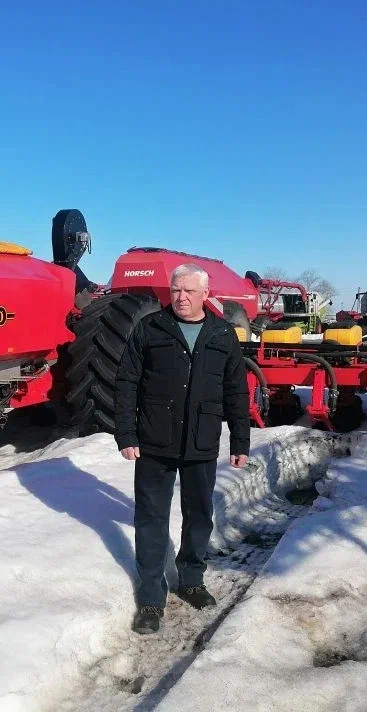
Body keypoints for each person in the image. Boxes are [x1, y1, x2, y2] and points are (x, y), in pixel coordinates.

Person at [114, 263, 250, 635]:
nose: (181, 297)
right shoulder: (150, 328)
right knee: (151, 520)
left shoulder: (222, 333)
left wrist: (240, 440)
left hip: (201, 440)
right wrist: (126, 434)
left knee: (199, 515)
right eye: (176, 290)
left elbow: (236, 391)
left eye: (189, 291)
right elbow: (126, 381)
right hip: (155, 441)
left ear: (206, 294)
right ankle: (151, 599)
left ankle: (191, 579)